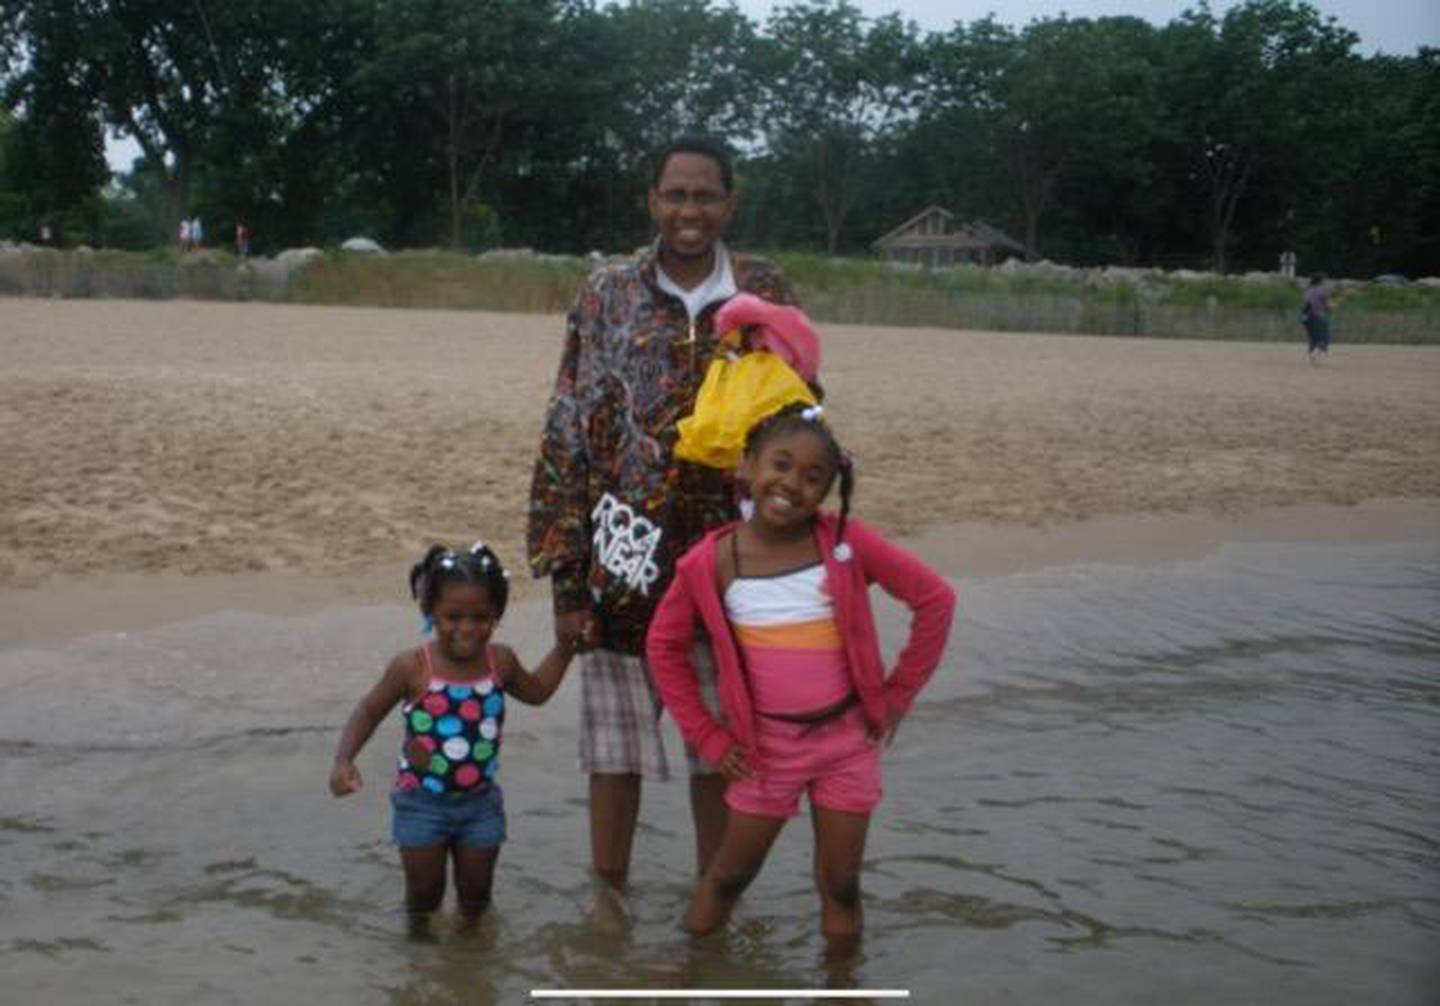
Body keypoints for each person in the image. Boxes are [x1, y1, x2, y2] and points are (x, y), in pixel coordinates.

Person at [526, 135, 800, 892]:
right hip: (621, 558)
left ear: (729, 203)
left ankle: (711, 912)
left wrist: (793, 566)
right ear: (652, 201)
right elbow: (565, 431)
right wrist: (566, 578)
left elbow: (799, 425)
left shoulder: (766, 288)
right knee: (614, 754)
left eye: (705, 195)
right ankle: (607, 903)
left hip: (733, 567)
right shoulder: (604, 293)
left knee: (723, 752)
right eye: (675, 195)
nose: (689, 210)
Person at [646, 403, 957, 952]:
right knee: (728, 878)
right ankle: (687, 972)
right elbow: (664, 647)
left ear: (830, 490)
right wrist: (710, 737)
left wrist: (898, 694)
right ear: (747, 467)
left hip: (848, 744)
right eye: (780, 465)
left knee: (841, 885)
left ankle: (841, 984)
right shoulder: (711, 561)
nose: (792, 484)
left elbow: (936, 600)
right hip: (766, 751)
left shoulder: (845, 544)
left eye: (814, 478)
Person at [330, 542, 579, 937]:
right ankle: (420, 962)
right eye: (453, 617)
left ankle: (470, 969)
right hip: (420, 804)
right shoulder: (412, 667)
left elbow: (538, 693)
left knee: (477, 899)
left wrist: (565, 650)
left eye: (481, 617)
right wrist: (344, 760)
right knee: (424, 897)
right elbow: (367, 711)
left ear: (497, 615)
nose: (467, 628)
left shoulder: (502, 662)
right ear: (431, 612)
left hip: (480, 805)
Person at [1301, 274, 1333, 363]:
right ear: (1320, 281)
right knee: (1324, 337)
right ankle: (1316, 355)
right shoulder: (1322, 291)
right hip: (1319, 316)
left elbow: (1306, 304)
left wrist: (1304, 316)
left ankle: (1312, 353)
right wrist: (1331, 307)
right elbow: (1327, 306)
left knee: (1313, 337)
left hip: (1306, 316)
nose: (1325, 283)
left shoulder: (1308, 290)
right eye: (1324, 281)